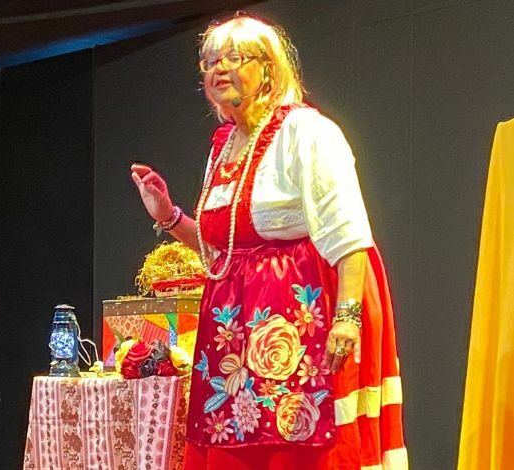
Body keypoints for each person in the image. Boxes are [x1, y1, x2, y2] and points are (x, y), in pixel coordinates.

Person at [130, 13, 407, 470]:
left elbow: (349, 236)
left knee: (299, 443)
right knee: (233, 442)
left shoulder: (308, 132)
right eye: (209, 61)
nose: (217, 69)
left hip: (299, 321)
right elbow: (222, 253)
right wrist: (170, 215)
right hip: (233, 331)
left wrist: (348, 319)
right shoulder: (223, 145)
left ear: (269, 69)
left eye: (233, 58)